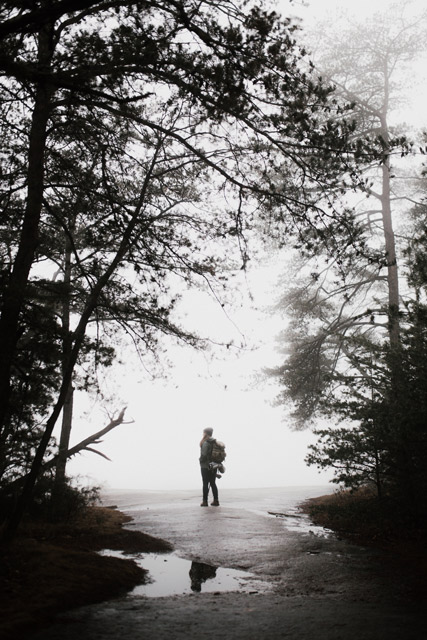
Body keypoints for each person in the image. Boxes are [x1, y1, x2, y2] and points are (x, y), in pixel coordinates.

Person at [199, 427, 219, 507]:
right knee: (213, 483)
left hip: (205, 466)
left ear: (205, 433)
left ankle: (205, 502)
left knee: (205, 483)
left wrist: (200, 460)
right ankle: (216, 500)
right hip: (214, 465)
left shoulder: (206, 443)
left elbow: (203, 455)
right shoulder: (215, 442)